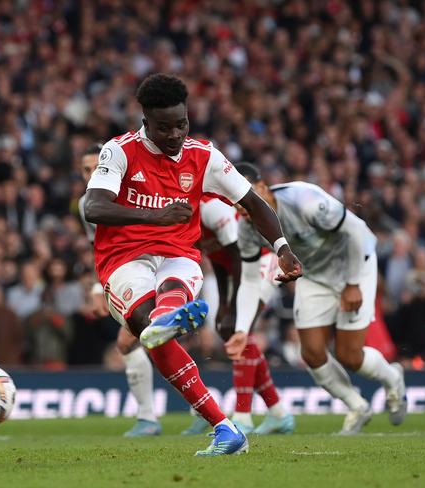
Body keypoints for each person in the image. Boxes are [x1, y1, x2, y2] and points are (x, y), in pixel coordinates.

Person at [84, 74, 302, 456]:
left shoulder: (204, 155)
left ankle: (167, 328)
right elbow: (94, 206)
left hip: (179, 255)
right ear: (145, 121)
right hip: (125, 257)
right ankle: (224, 425)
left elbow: (253, 204)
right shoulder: (119, 151)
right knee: (145, 323)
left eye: (181, 124)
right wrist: (157, 217)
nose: (174, 135)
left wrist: (283, 247)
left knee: (167, 304)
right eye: (164, 127)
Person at [235, 163, 406, 435]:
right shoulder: (246, 230)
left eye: (249, 194)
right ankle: (357, 406)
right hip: (315, 275)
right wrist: (242, 330)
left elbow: (353, 231)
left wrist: (352, 284)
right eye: (237, 199)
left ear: (264, 187)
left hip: (354, 264)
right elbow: (250, 280)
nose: (244, 205)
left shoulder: (304, 200)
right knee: (311, 352)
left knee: (350, 355)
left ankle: (393, 378)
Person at [182, 197, 293, 436]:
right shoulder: (188, 218)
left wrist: (233, 308)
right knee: (233, 330)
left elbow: (238, 254)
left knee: (239, 330)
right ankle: (278, 412)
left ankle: (243, 416)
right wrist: (224, 305)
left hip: (261, 262)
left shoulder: (210, 208)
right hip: (239, 271)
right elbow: (218, 261)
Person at [78, 143, 161, 437]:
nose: (91, 174)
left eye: (95, 168)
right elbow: (98, 248)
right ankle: (159, 417)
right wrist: (98, 287)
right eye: (85, 170)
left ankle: (149, 418)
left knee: (131, 342)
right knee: (145, 341)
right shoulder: (86, 204)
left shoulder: (133, 192)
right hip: (126, 274)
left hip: (159, 267)